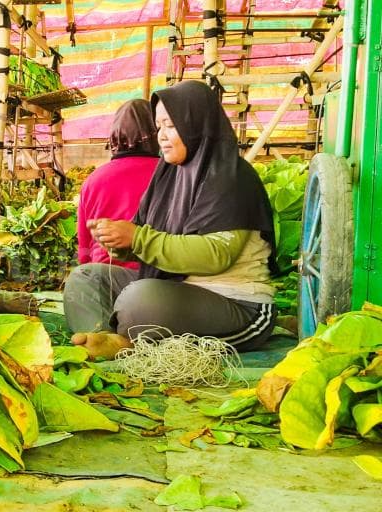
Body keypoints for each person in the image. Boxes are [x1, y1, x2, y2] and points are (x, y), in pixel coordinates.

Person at [64, 81, 277, 360]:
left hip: (236, 304)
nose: (162, 136)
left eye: (171, 126)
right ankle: (103, 339)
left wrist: (137, 238)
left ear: (196, 124)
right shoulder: (167, 176)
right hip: (178, 289)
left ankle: (123, 342)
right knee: (85, 279)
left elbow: (217, 255)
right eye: (158, 127)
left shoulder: (232, 176)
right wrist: (120, 243)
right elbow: (145, 237)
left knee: (137, 301)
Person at [77, 99, 159, 268]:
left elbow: (84, 247)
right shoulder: (171, 173)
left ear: (114, 136)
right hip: (155, 278)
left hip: (103, 276)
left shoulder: (93, 180)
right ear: (155, 132)